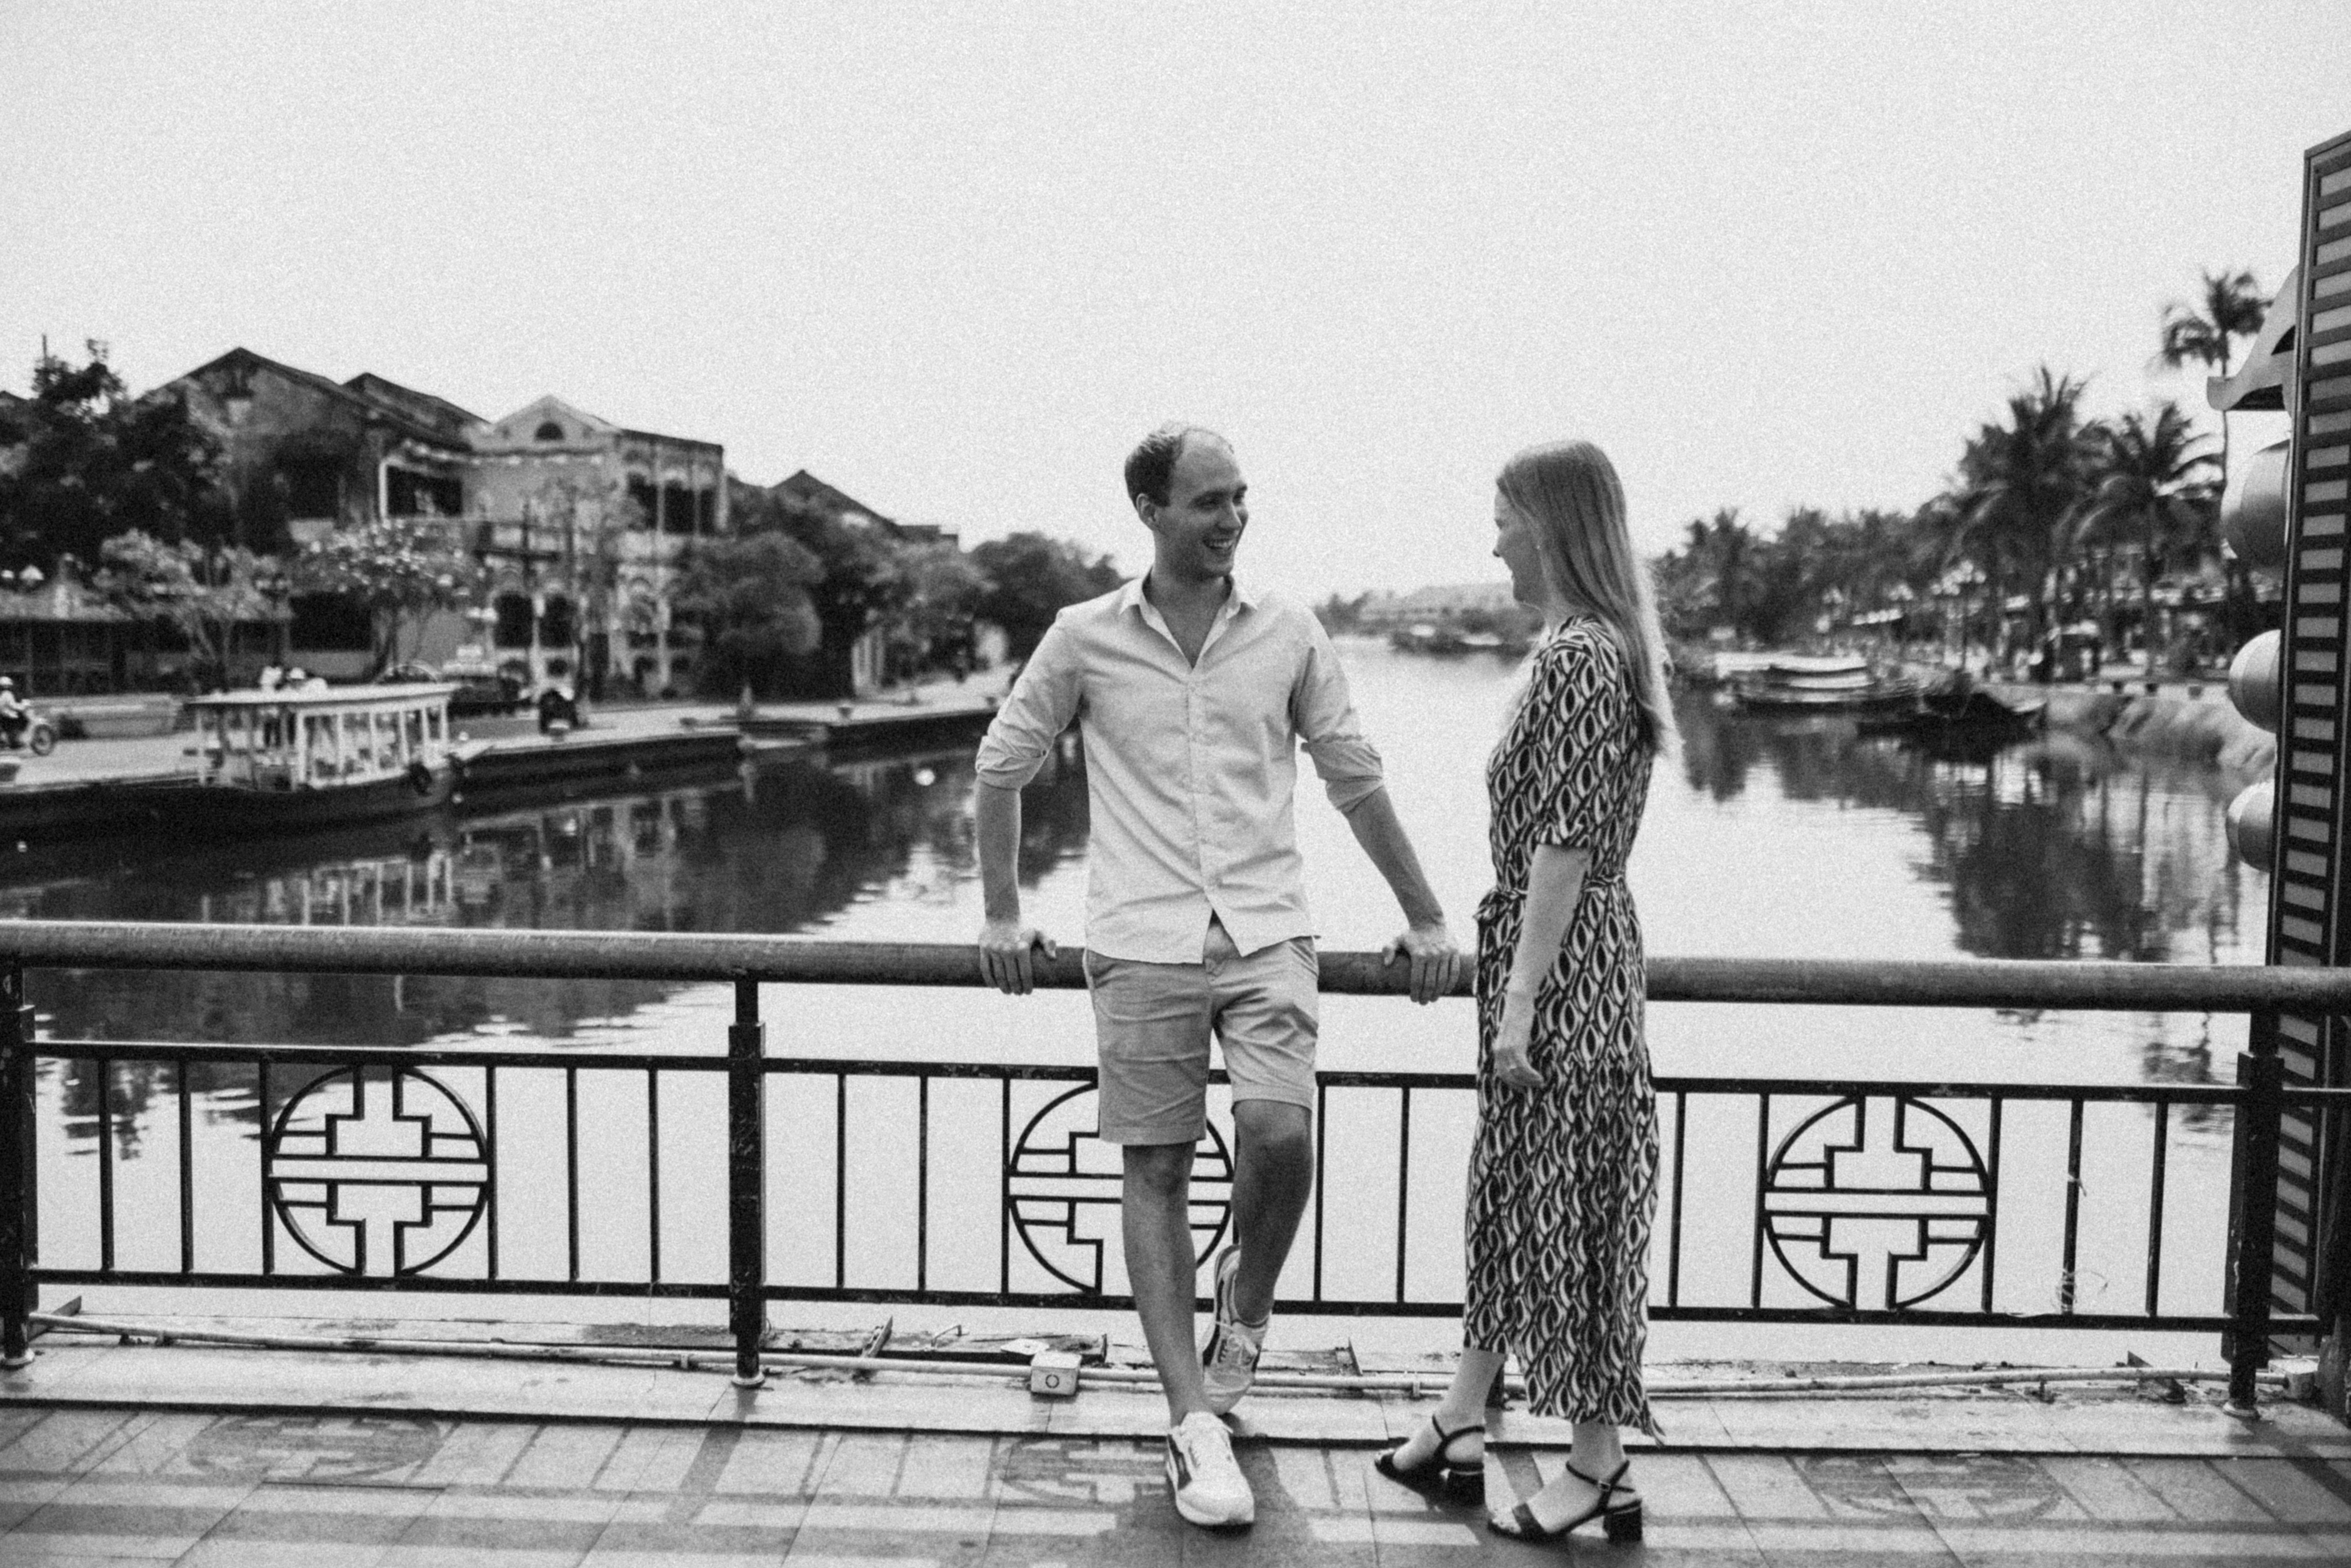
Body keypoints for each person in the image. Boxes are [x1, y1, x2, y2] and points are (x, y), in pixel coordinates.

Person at [974, 424, 1462, 1532]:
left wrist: (1423, 911)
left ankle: (1242, 1308)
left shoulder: (1288, 630)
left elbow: (1352, 775)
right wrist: (1003, 911)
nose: (1231, 517)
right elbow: (1001, 764)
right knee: (1154, 1167)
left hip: (1264, 930)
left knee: (1278, 1132)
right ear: (1148, 508)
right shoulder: (1082, 637)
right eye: (1206, 501)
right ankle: (1192, 1416)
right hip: (1140, 937)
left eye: (1239, 497)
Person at [1372, 439, 1674, 1545]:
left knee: (1570, 1205)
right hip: (1560, 954)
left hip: (1560, 965)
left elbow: (1562, 844)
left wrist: (1515, 1004)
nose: (1492, 537)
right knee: (1516, 1195)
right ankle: (1461, 1417)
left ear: (1548, 526)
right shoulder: (1593, 646)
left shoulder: (1578, 658)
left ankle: (1595, 1461)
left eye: (1503, 517)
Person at [0, 679, 25, 748]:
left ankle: (14, 740)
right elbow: (13, 706)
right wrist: (22, 707)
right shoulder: (7, 694)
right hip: (7, 716)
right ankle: (16, 741)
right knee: (22, 720)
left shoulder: (2, 695)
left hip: (4, 715)